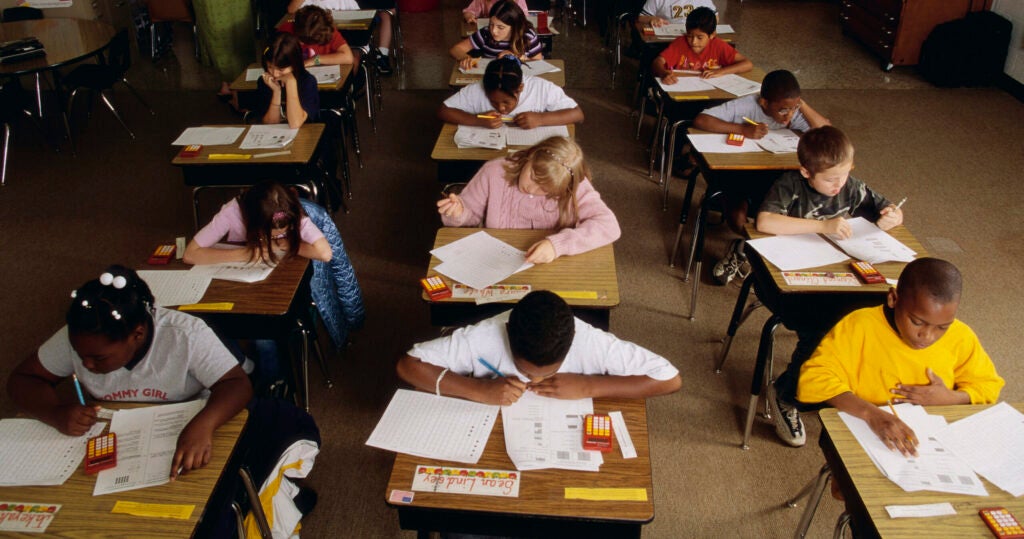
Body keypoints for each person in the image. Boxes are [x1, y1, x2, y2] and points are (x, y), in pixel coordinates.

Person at [6, 266, 253, 478]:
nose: (87, 364)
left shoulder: (185, 335)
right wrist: (55, 412)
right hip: (118, 441)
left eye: (98, 358)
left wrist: (203, 425)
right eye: (79, 355)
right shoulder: (83, 337)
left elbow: (236, 384)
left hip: (181, 431)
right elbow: (23, 379)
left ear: (137, 334)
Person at [754, 125, 904, 447]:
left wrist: (894, 215)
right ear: (806, 172)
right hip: (786, 282)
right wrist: (823, 225)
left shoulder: (850, 187)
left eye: (845, 175)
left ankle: (837, 383)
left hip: (833, 273)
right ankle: (787, 394)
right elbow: (765, 222)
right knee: (821, 328)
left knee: (875, 316)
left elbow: (885, 208)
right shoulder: (790, 186)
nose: (839, 185)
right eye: (830, 179)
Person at [797, 258, 1004, 456]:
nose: (928, 336)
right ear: (893, 298)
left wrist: (953, 398)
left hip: (933, 440)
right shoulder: (860, 326)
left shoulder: (961, 335)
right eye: (917, 322)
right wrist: (872, 414)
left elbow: (988, 386)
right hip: (865, 429)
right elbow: (813, 379)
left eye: (942, 327)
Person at [397, 291, 682, 405]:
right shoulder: (485, 336)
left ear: (573, 340)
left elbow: (670, 378)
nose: (534, 382)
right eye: (525, 371)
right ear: (507, 331)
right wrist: (478, 390)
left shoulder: (589, 340)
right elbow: (408, 365)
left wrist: (588, 386)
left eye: (547, 373)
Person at [693, 69, 830, 284]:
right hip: (740, 174)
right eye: (783, 110)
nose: (790, 116)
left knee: (794, 214)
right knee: (738, 220)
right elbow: (701, 120)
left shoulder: (793, 111)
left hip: (775, 177)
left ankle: (743, 250)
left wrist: (800, 105)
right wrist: (741, 129)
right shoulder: (748, 105)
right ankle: (747, 247)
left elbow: (827, 131)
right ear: (764, 103)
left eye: (794, 109)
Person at [437, 137, 620, 263]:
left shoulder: (572, 185)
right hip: (497, 262)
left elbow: (609, 226)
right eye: (532, 176)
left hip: (552, 267)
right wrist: (459, 212)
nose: (530, 188)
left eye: (545, 190)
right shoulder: (494, 171)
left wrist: (557, 246)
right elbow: (470, 215)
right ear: (531, 155)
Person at [184, 180, 332, 266]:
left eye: (284, 232)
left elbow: (325, 253)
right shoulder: (232, 213)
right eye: (271, 234)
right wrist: (246, 254)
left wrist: (282, 243)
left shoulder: (292, 212)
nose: (279, 236)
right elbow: (190, 254)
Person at [438, 56, 583, 130]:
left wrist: (541, 119)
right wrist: (477, 120)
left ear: (520, 88)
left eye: (506, 102)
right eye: (493, 102)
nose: (501, 108)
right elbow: (444, 110)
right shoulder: (479, 88)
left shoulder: (540, 88)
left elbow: (578, 114)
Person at [287, 0, 396, 76]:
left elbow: (360, 25)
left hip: (345, 42)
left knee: (354, 59)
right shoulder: (308, 5)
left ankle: (348, 93)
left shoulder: (345, 2)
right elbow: (291, 10)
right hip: (313, 44)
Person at [650, 6, 750, 82]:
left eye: (700, 37)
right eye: (690, 36)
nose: (693, 42)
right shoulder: (680, 43)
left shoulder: (718, 46)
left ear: (712, 35)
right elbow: (657, 61)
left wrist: (720, 72)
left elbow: (747, 64)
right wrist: (663, 73)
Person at [450, 0, 543, 71]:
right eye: (491, 24)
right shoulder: (485, 34)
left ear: (515, 26)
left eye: (500, 27)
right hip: (491, 81)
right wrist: (467, 58)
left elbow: (539, 62)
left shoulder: (528, 36)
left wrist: (519, 58)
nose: (493, 31)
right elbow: (456, 49)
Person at [254, 34, 320, 128]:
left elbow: (295, 124)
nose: (275, 74)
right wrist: (276, 92)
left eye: (281, 70)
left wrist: (291, 83)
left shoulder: (307, 82)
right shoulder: (265, 82)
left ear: (294, 64)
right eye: (270, 67)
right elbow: (270, 125)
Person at [280, 5, 355, 68]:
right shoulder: (285, 31)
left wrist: (315, 60)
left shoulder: (326, 30)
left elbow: (348, 57)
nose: (301, 43)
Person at [638, 0, 715, 28]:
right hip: (667, 36)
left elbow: (715, 17)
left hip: (695, 34)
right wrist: (652, 18)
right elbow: (641, 17)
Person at [462, 0, 529, 23]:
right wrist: (469, 16)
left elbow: (524, 18)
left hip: (512, 34)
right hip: (490, 32)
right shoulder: (482, 0)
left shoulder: (518, 0)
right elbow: (469, 11)